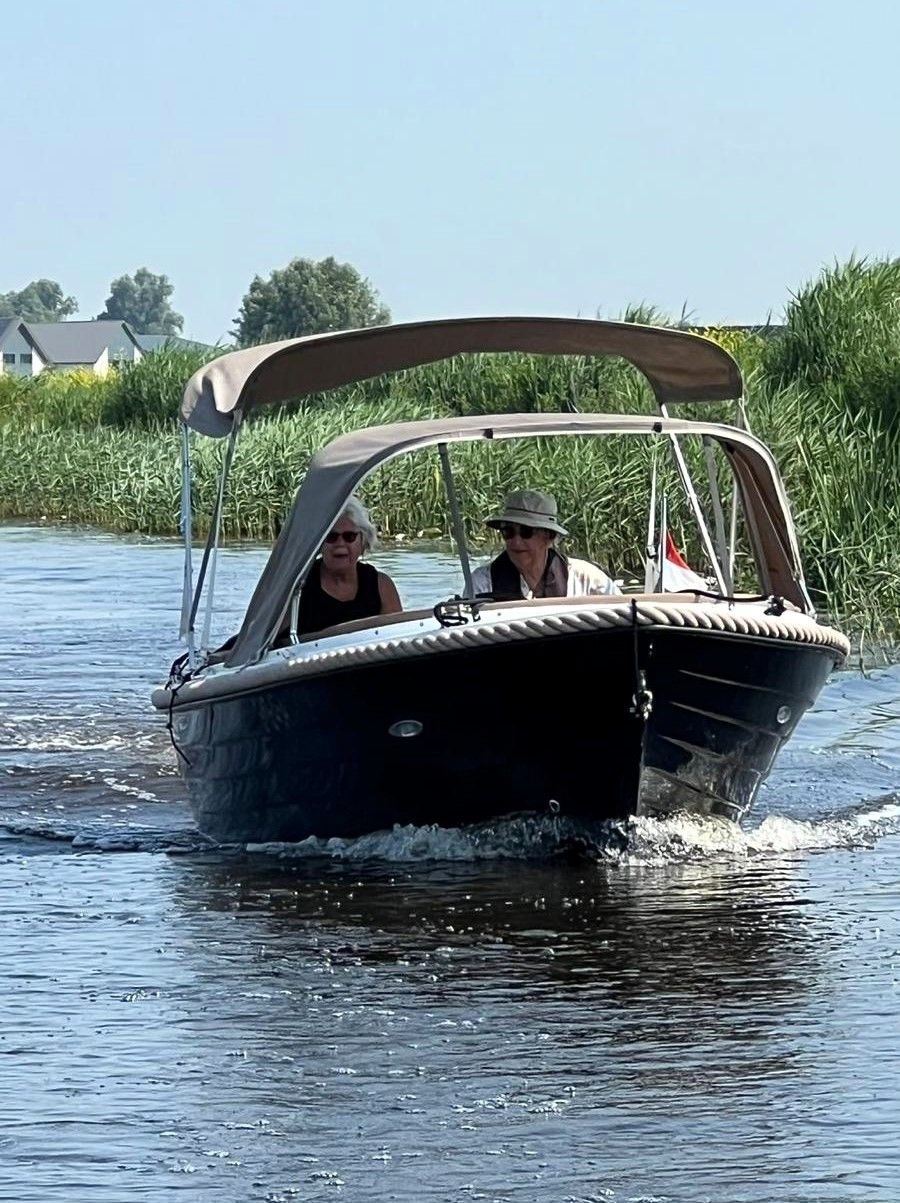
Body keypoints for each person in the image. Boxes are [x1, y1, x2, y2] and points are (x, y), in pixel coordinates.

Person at [468, 488, 620, 600]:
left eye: (526, 532)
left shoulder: (587, 580)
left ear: (549, 537)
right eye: (508, 532)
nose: (515, 541)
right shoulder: (482, 583)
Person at [293, 496, 402, 636]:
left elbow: (397, 637)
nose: (340, 543)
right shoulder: (297, 587)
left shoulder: (382, 586)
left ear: (363, 540)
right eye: (331, 537)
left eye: (349, 536)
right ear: (319, 543)